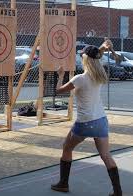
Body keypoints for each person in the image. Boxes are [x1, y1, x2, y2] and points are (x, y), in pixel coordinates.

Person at [51, 40, 122, 196]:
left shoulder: (79, 79)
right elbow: (96, 56)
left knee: (67, 147)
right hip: (101, 121)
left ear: (85, 60)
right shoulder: (99, 73)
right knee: (106, 156)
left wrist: (60, 75)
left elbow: (58, 91)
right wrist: (102, 48)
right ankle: (118, 192)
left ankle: (63, 184)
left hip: (85, 122)